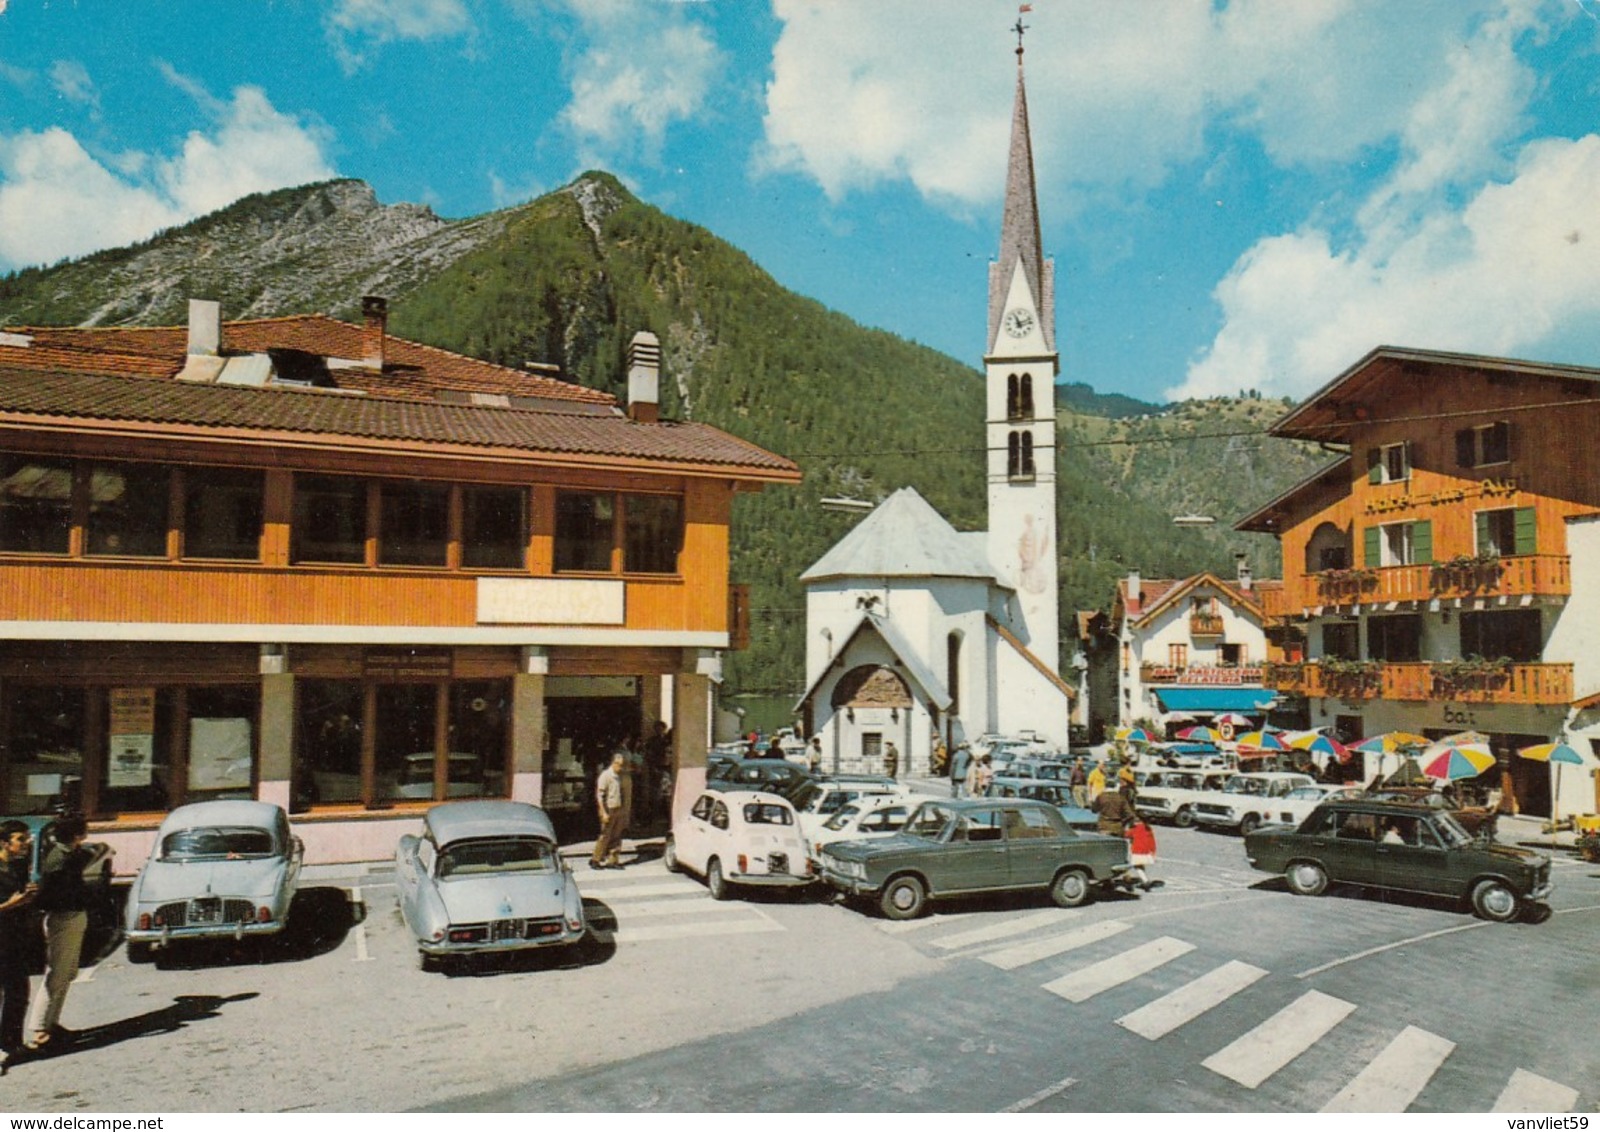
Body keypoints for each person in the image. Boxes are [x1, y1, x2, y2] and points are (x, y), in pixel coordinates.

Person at [27, 816, 93, 1051]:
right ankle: (41, 1029)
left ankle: (51, 1023)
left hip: (71, 916)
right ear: (77, 835)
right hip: (64, 917)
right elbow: (53, 893)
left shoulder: (67, 854)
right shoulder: (60, 860)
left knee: (66, 972)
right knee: (57, 973)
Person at [0, 820, 39, 1068]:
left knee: (18, 992)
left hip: (13, 938)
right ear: (4, 843)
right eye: (21, 840)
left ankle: (10, 1043)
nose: (26, 844)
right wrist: (14, 903)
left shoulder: (17, 865)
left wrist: (28, 898)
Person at [590, 753, 628, 870]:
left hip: (619, 808)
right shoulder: (606, 776)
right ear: (613, 763)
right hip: (608, 809)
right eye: (618, 764)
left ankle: (613, 860)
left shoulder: (621, 776)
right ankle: (595, 859)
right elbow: (600, 795)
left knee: (617, 835)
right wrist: (603, 812)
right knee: (605, 835)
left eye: (622, 765)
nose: (620, 767)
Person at [642, 721, 672, 824]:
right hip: (656, 770)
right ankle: (653, 818)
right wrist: (653, 767)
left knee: (667, 795)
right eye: (657, 729)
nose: (659, 731)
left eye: (661, 728)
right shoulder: (652, 741)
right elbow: (647, 756)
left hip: (667, 771)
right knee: (655, 796)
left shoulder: (669, 740)